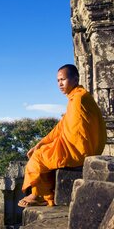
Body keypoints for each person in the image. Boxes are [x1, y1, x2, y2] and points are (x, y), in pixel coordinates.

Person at [18, 64, 107, 207]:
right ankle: (47, 194)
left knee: (38, 157)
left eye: (63, 79)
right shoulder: (76, 97)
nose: (60, 83)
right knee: (42, 152)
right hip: (81, 147)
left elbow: (75, 134)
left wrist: (46, 147)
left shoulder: (79, 98)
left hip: (80, 150)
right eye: (58, 80)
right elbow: (62, 127)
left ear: (75, 79)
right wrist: (40, 143)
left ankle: (37, 195)